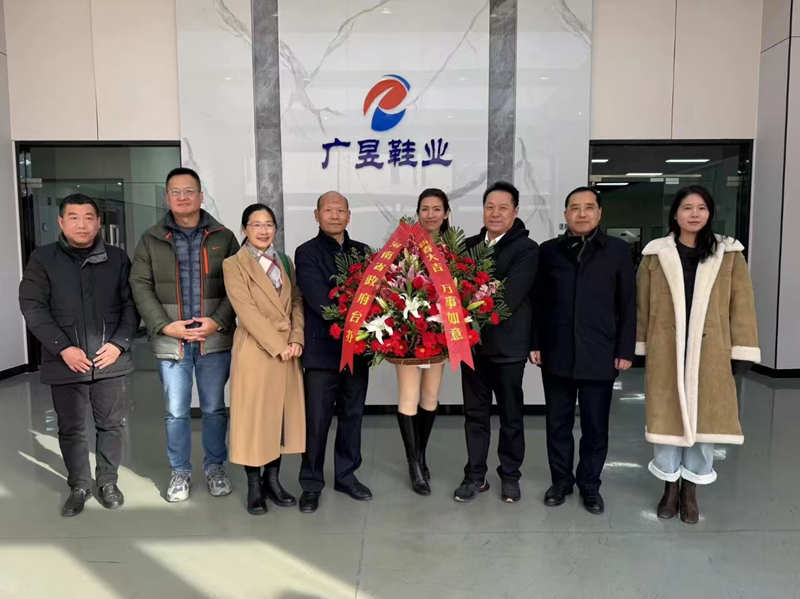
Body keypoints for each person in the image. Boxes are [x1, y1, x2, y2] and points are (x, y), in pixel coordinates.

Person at [635, 185, 759, 523]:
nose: (694, 214)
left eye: (701, 208)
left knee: (706, 420)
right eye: (687, 207)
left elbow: (742, 304)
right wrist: (641, 345)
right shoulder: (655, 254)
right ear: (675, 214)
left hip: (711, 350)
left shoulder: (728, 253)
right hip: (667, 349)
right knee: (666, 418)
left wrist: (742, 348)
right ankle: (669, 487)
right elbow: (642, 305)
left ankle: (691, 489)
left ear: (709, 213)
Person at [19, 194, 138, 516]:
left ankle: (108, 482)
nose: (81, 224)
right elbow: (33, 307)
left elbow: (131, 305)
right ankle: (79, 485)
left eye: (88, 217)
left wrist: (119, 344)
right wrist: (63, 348)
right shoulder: (43, 259)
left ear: (98, 222)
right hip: (65, 361)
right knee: (71, 428)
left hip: (108, 359)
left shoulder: (117, 258)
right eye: (73, 217)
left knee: (111, 424)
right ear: (61, 222)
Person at [130, 167, 239, 503]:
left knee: (214, 408)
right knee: (176, 411)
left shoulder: (223, 237)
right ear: (167, 197)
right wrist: (165, 325)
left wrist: (217, 322)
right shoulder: (151, 238)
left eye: (189, 191)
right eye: (175, 192)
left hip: (213, 340)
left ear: (201, 196)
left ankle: (215, 468)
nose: (182, 197)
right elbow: (140, 284)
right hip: (171, 341)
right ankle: (180, 472)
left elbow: (238, 286)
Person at [531, 186, 635, 515]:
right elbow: (538, 302)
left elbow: (628, 303)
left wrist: (625, 349)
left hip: (600, 352)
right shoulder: (549, 251)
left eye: (589, 207)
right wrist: (536, 342)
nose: (581, 213)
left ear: (599, 213)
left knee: (595, 427)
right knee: (557, 424)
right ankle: (561, 482)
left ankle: (590, 485)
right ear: (565, 214)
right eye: (574, 208)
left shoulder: (618, 251)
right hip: (557, 351)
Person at [454, 181, 539, 504]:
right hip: (473, 348)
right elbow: (454, 292)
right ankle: (475, 476)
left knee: (510, 416)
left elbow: (509, 298)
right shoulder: (469, 246)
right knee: (474, 415)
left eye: (503, 208)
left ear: (515, 212)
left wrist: (471, 306)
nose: (495, 213)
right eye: (490, 207)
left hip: (508, 348)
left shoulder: (526, 249)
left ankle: (510, 475)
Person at [223, 204, 305, 515]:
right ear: (244, 229)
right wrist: (277, 344)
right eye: (256, 224)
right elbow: (246, 311)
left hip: (288, 350)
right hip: (256, 349)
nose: (263, 230)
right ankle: (254, 486)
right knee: (254, 417)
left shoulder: (284, 261)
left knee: (278, 417)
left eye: (269, 224)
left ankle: (273, 480)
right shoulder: (234, 264)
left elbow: (296, 301)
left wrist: (296, 337)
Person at [294, 191, 372, 513]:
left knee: (352, 416)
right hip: (322, 353)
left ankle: (346, 475)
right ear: (317, 215)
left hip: (358, 351)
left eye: (341, 210)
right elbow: (318, 298)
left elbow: (376, 296)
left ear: (349, 216)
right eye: (329, 210)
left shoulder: (364, 253)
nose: (335, 215)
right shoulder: (306, 253)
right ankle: (311, 483)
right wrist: (356, 314)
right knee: (317, 421)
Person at [394, 188, 451, 495]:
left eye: (436, 208)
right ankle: (413, 465)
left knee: (430, 397)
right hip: (407, 335)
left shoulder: (455, 247)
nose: (430, 214)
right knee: (409, 397)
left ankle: (421, 453)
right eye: (425, 209)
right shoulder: (404, 245)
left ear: (446, 213)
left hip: (439, 336)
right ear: (418, 213)